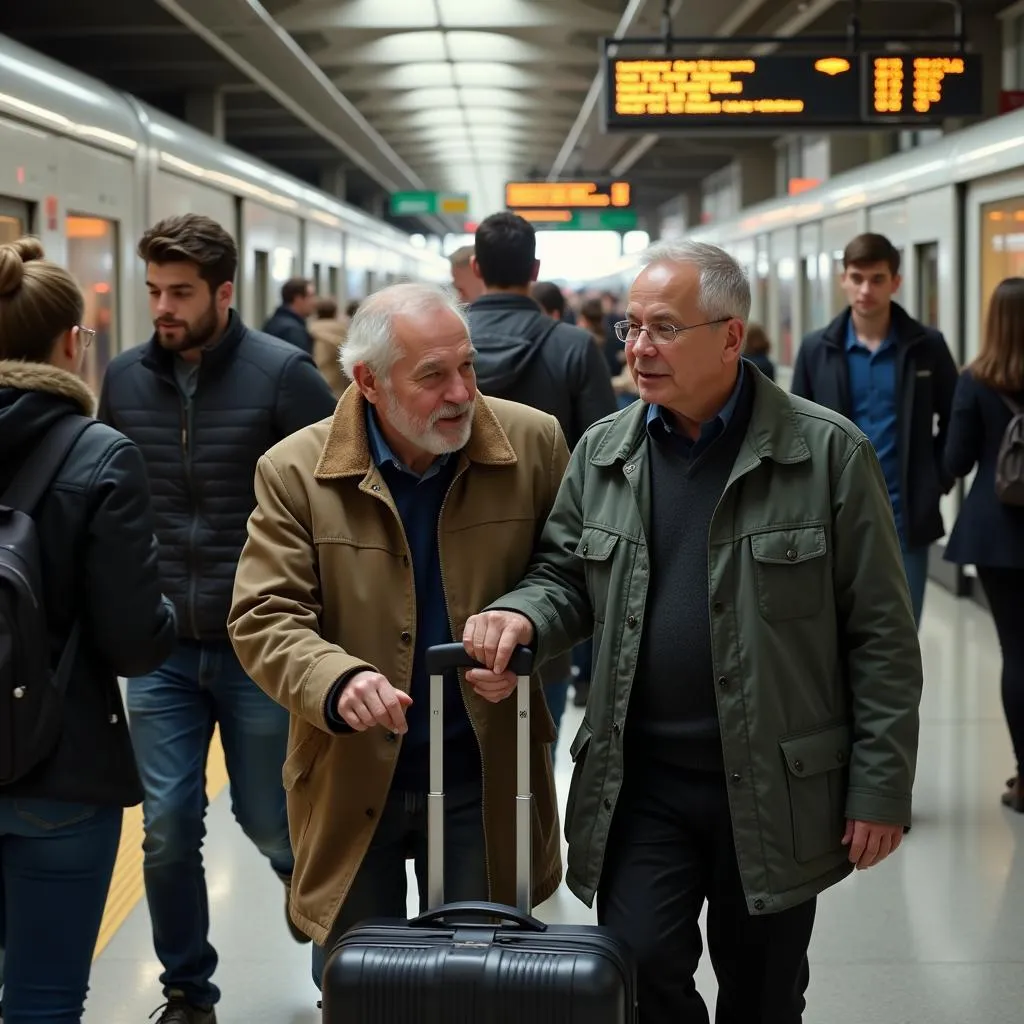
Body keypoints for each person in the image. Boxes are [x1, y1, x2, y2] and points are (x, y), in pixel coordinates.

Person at [462, 240, 923, 1024]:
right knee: (637, 974)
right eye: (632, 328)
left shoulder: (826, 454)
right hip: (641, 782)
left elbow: (879, 632)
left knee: (765, 991)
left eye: (664, 328)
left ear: (732, 337)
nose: (638, 348)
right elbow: (565, 577)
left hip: (772, 786)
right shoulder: (606, 452)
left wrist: (880, 787)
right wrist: (523, 617)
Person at [226, 282, 565, 989]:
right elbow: (265, 614)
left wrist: (527, 620)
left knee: (482, 984)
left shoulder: (533, 445)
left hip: (484, 770)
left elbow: (569, 570)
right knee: (362, 987)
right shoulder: (295, 471)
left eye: (467, 367)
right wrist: (337, 679)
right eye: (432, 376)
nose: (461, 393)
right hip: (352, 778)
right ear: (367, 382)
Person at [98, 214, 338, 1024]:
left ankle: (324, 946)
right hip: (161, 645)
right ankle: (187, 992)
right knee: (165, 827)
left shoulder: (285, 377)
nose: (163, 308)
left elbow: (333, 502)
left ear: (224, 293)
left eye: (181, 293)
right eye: (155, 291)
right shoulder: (125, 380)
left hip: (260, 645)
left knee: (273, 818)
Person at [0, 238, 175, 1023]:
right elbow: (136, 640)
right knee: (44, 999)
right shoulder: (100, 454)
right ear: (73, 343)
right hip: (60, 768)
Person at [467, 212, 617, 739]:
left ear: (475, 266)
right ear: (535, 268)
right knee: (533, 736)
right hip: (552, 569)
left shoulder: (448, 348)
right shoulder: (574, 348)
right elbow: (608, 459)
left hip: (455, 565)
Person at [792, 233, 958, 626]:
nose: (866, 289)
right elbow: (793, 428)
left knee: (900, 629)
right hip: (833, 511)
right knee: (835, 633)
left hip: (905, 514)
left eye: (877, 279)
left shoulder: (926, 346)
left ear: (895, 282)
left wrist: (935, 478)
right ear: (843, 280)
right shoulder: (817, 349)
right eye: (857, 277)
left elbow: (956, 419)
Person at [944, 277, 1024, 812]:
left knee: (1015, 653)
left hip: (997, 535)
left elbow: (957, 460)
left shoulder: (975, 379)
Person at [262, 277, 316, 354]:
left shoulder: (273, 322)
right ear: (298, 299)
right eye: (311, 297)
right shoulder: (293, 331)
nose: (314, 302)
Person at [309, 295, 349, 397]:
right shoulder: (343, 330)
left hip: (315, 378)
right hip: (338, 383)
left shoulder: (310, 329)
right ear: (335, 312)